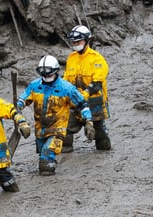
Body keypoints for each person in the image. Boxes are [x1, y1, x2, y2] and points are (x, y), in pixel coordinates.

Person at [17, 55, 94, 176]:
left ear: (57, 71)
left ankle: (47, 181)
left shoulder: (67, 88)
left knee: (46, 158)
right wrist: (18, 110)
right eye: (44, 75)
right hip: (40, 129)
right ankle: (49, 164)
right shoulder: (35, 85)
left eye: (49, 74)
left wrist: (89, 121)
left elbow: (82, 104)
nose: (46, 77)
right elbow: (22, 100)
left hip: (58, 128)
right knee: (42, 153)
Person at [62, 25, 111, 153]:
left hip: (94, 103)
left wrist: (84, 95)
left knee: (100, 135)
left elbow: (97, 84)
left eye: (78, 41)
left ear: (86, 40)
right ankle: (65, 153)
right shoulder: (71, 58)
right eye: (73, 42)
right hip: (74, 103)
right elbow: (65, 82)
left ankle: (103, 153)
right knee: (65, 129)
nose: (75, 44)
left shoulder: (96, 58)